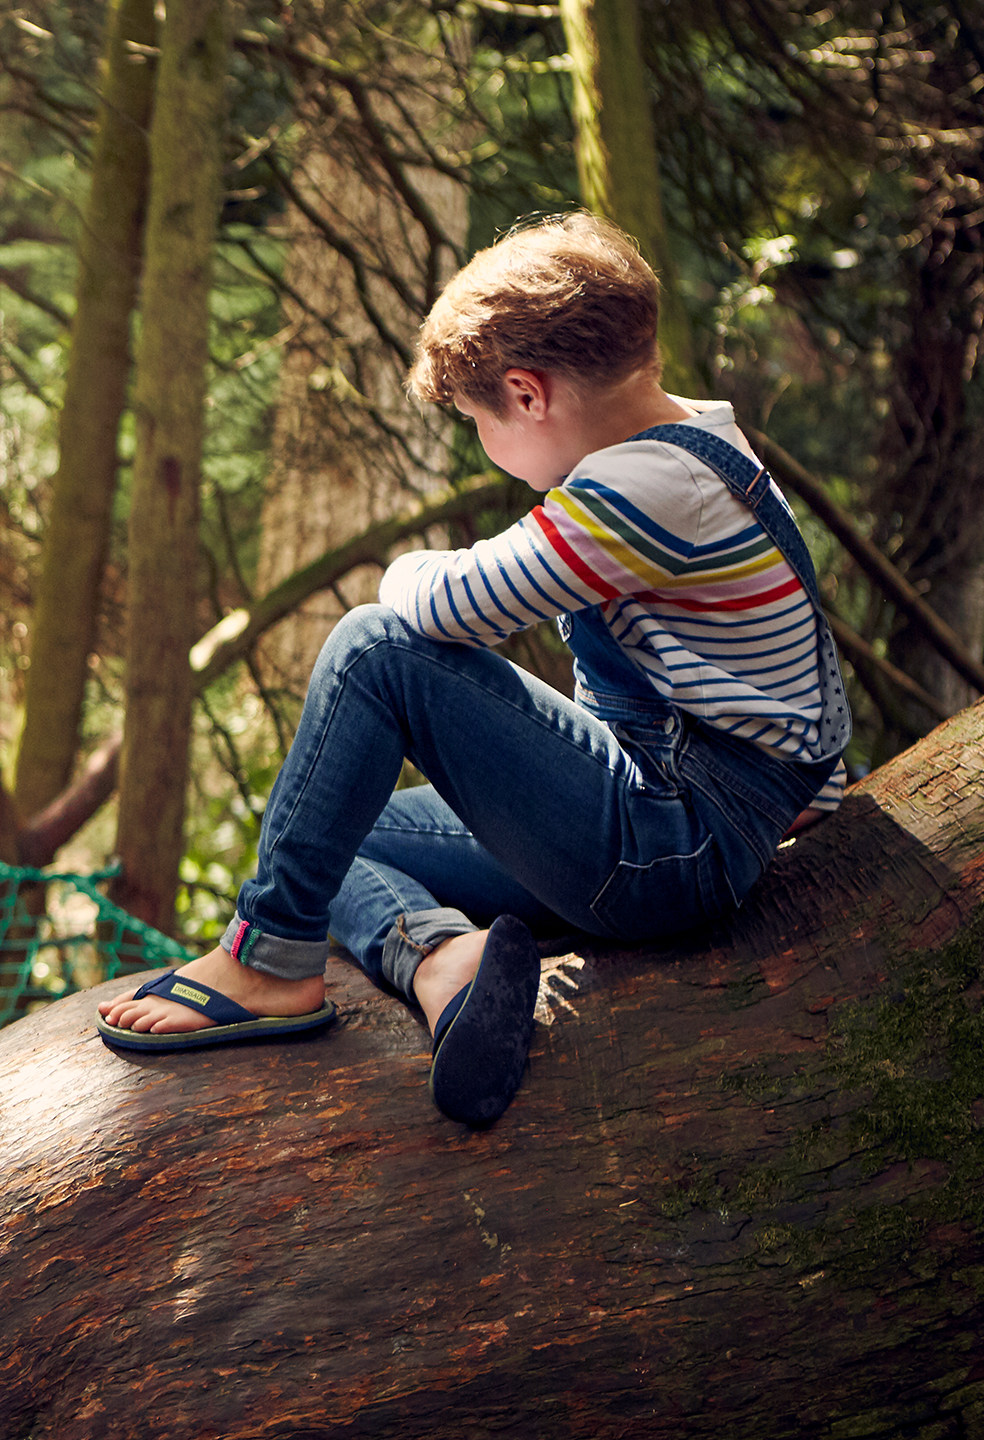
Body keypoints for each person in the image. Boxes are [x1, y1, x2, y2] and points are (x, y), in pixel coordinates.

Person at [96, 213, 849, 1126]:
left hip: (666, 851)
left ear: (528, 395)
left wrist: (400, 571)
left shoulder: (641, 494)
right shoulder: (703, 444)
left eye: (477, 421)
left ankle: (264, 961)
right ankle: (444, 962)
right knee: (337, 830)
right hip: (669, 820)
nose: (484, 445)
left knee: (375, 646)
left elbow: (446, 607)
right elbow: (786, 671)